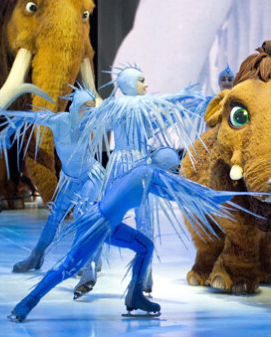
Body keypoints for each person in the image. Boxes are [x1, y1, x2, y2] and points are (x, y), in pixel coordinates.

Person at [8, 147, 244, 322]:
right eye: (173, 171)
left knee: (145, 246)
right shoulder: (148, 174)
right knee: (68, 267)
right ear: (166, 169)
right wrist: (218, 196)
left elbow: (177, 192)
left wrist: (212, 197)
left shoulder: (144, 173)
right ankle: (26, 304)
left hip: (108, 225)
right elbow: (180, 192)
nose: (174, 176)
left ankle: (135, 296)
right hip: (98, 225)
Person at [79, 65, 206, 295]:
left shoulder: (115, 106)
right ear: (129, 83)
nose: (146, 85)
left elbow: (138, 126)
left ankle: (92, 271)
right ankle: (142, 277)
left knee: (104, 219)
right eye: (141, 80)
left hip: (121, 165)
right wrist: (186, 104)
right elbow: (159, 115)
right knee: (143, 222)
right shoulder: (136, 105)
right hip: (138, 167)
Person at [0, 85, 104, 296]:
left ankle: (87, 265)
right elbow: (28, 118)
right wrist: (7, 128)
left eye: (92, 108)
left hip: (90, 177)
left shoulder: (91, 122)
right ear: (75, 107)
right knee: (54, 217)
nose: (89, 113)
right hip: (70, 179)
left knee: (83, 216)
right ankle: (36, 256)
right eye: (85, 108)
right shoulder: (59, 121)